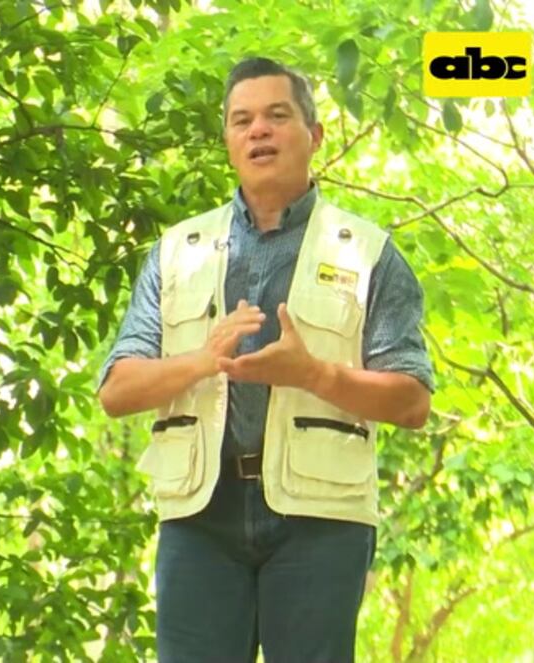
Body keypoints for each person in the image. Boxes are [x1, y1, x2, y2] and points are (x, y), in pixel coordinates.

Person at [96, 57, 434, 663]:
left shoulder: (369, 254)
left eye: (277, 116)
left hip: (321, 517)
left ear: (315, 134)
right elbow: (118, 390)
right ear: (228, 141)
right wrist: (204, 359)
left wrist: (313, 374)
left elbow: (412, 401)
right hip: (200, 516)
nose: (258, 130)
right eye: (242, 120)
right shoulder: (176, 252)